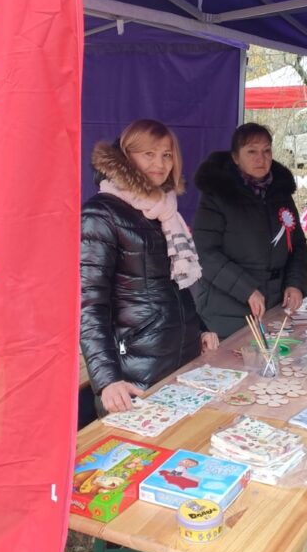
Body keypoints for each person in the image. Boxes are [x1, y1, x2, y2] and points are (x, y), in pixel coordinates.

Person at [79, 119, 219, 415]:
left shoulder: (162, 210)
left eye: (167, 155)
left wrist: (200, 329)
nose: (160, 163)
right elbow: (89, 304)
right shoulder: (101, 213)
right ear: (126, 156)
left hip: (177, 360)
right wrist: (107, 381)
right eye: (149, 154)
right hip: (133, 374)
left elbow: (174, 286)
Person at [193, 122, 307, 339]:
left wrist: (295, 283)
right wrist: (247, 289)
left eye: (266, 151)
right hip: (227, 310)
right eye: (252, 152)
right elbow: (205, 254)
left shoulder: (280, 193)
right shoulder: (217, 195)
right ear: (236, 157)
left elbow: (298, 244)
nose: (261, 158)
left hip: (274, 305)